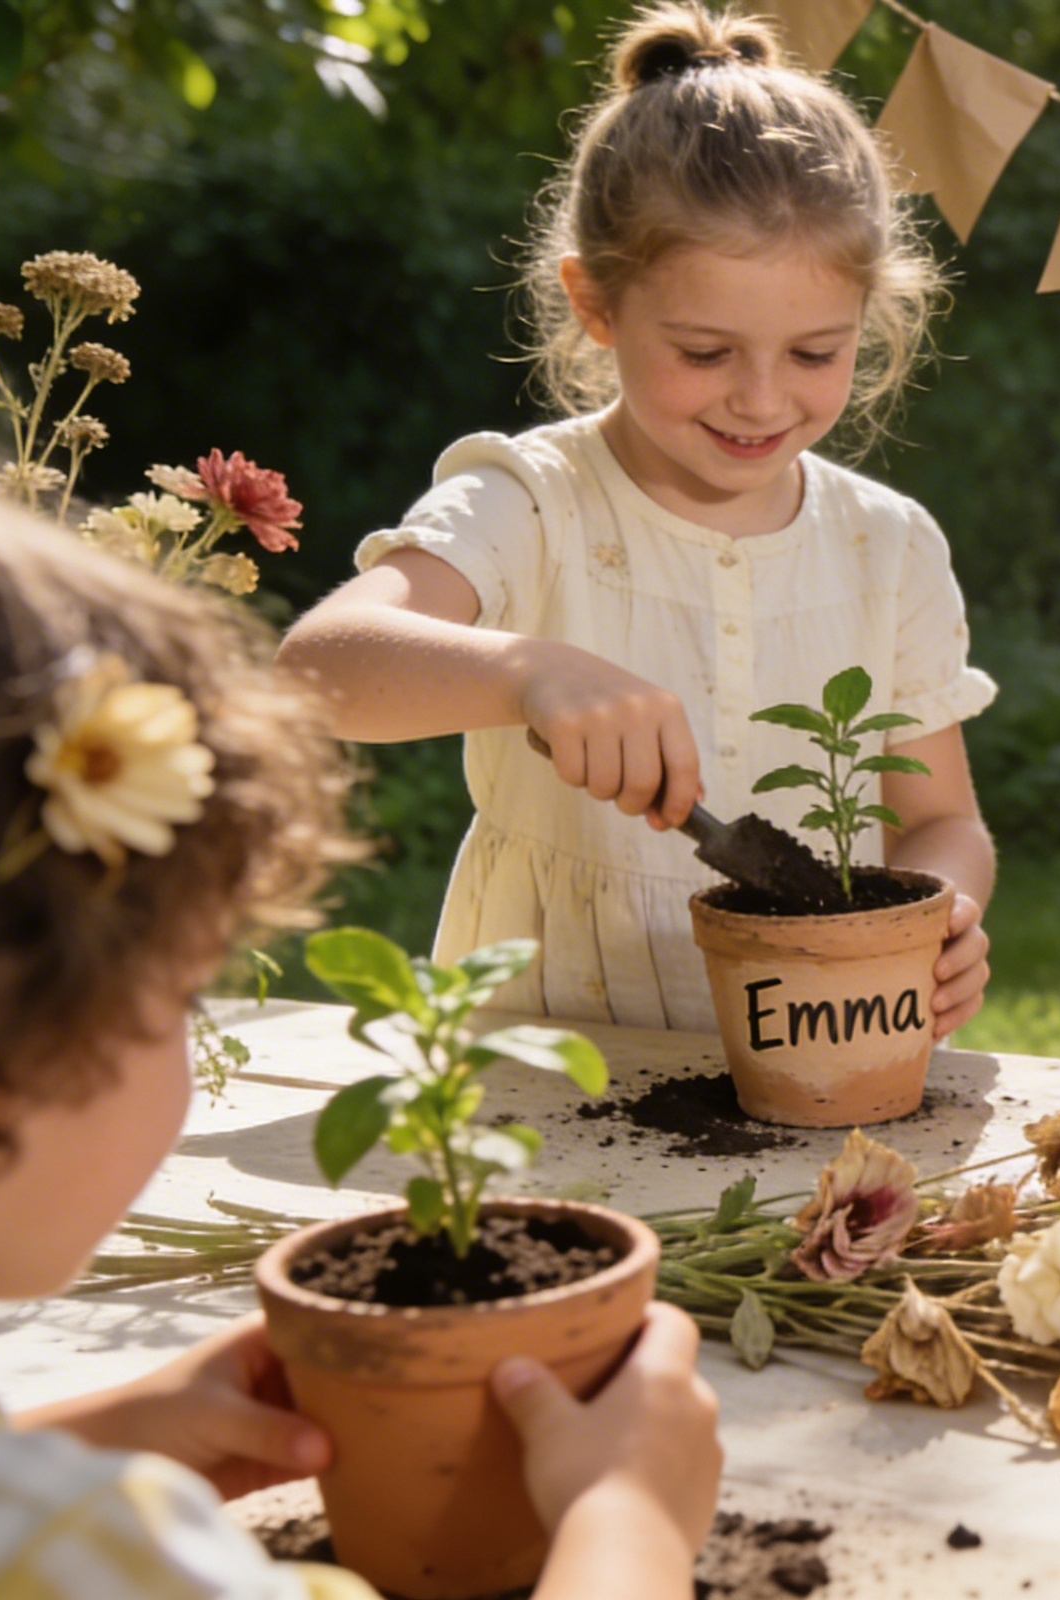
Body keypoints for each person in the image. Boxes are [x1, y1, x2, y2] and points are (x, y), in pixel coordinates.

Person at [0, 467, 723, 1599]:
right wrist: (630, 1524)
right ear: (3, 1044)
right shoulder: (80, 1549)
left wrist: (83, 1437)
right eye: (183, 995)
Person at [279, 3, 996, 1037]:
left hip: (817, 1050)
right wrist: (528, 672)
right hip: (540, 1056)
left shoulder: (887, 546)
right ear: (596, 303)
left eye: (815, 353)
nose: (761, 398)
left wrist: (940, 914)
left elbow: (940, 819)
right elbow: (316, 671)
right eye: (704, 352)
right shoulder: (532, 500)